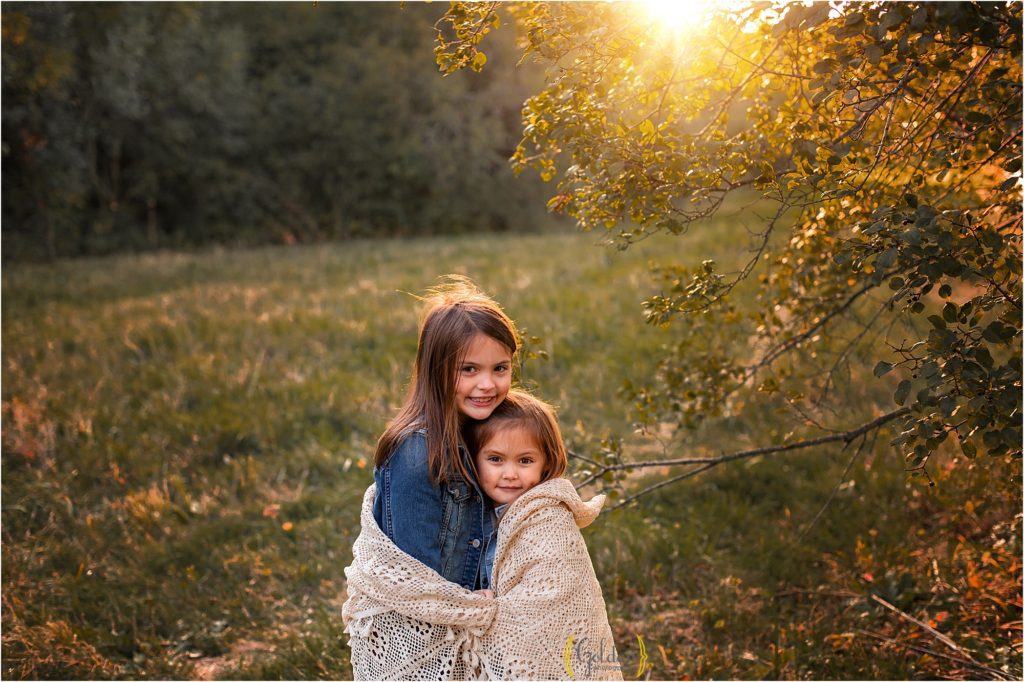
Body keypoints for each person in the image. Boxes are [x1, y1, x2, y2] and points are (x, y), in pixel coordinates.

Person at [343, 389, 622, 680]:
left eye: (525, 461)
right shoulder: (473, 512)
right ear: (473, 462)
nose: (510, 474)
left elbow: (550, 602)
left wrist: (483, 608)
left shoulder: (548, 518)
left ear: (547, 464)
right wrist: (471, 603)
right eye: (496, 459)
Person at [371, 274, 519, 591]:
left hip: (477, 614)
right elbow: (416, 581)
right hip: (429, 626)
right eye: (469, 369)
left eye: (500, 368)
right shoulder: (415, 455)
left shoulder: (497, 428)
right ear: (436, 369)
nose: (487, 384)